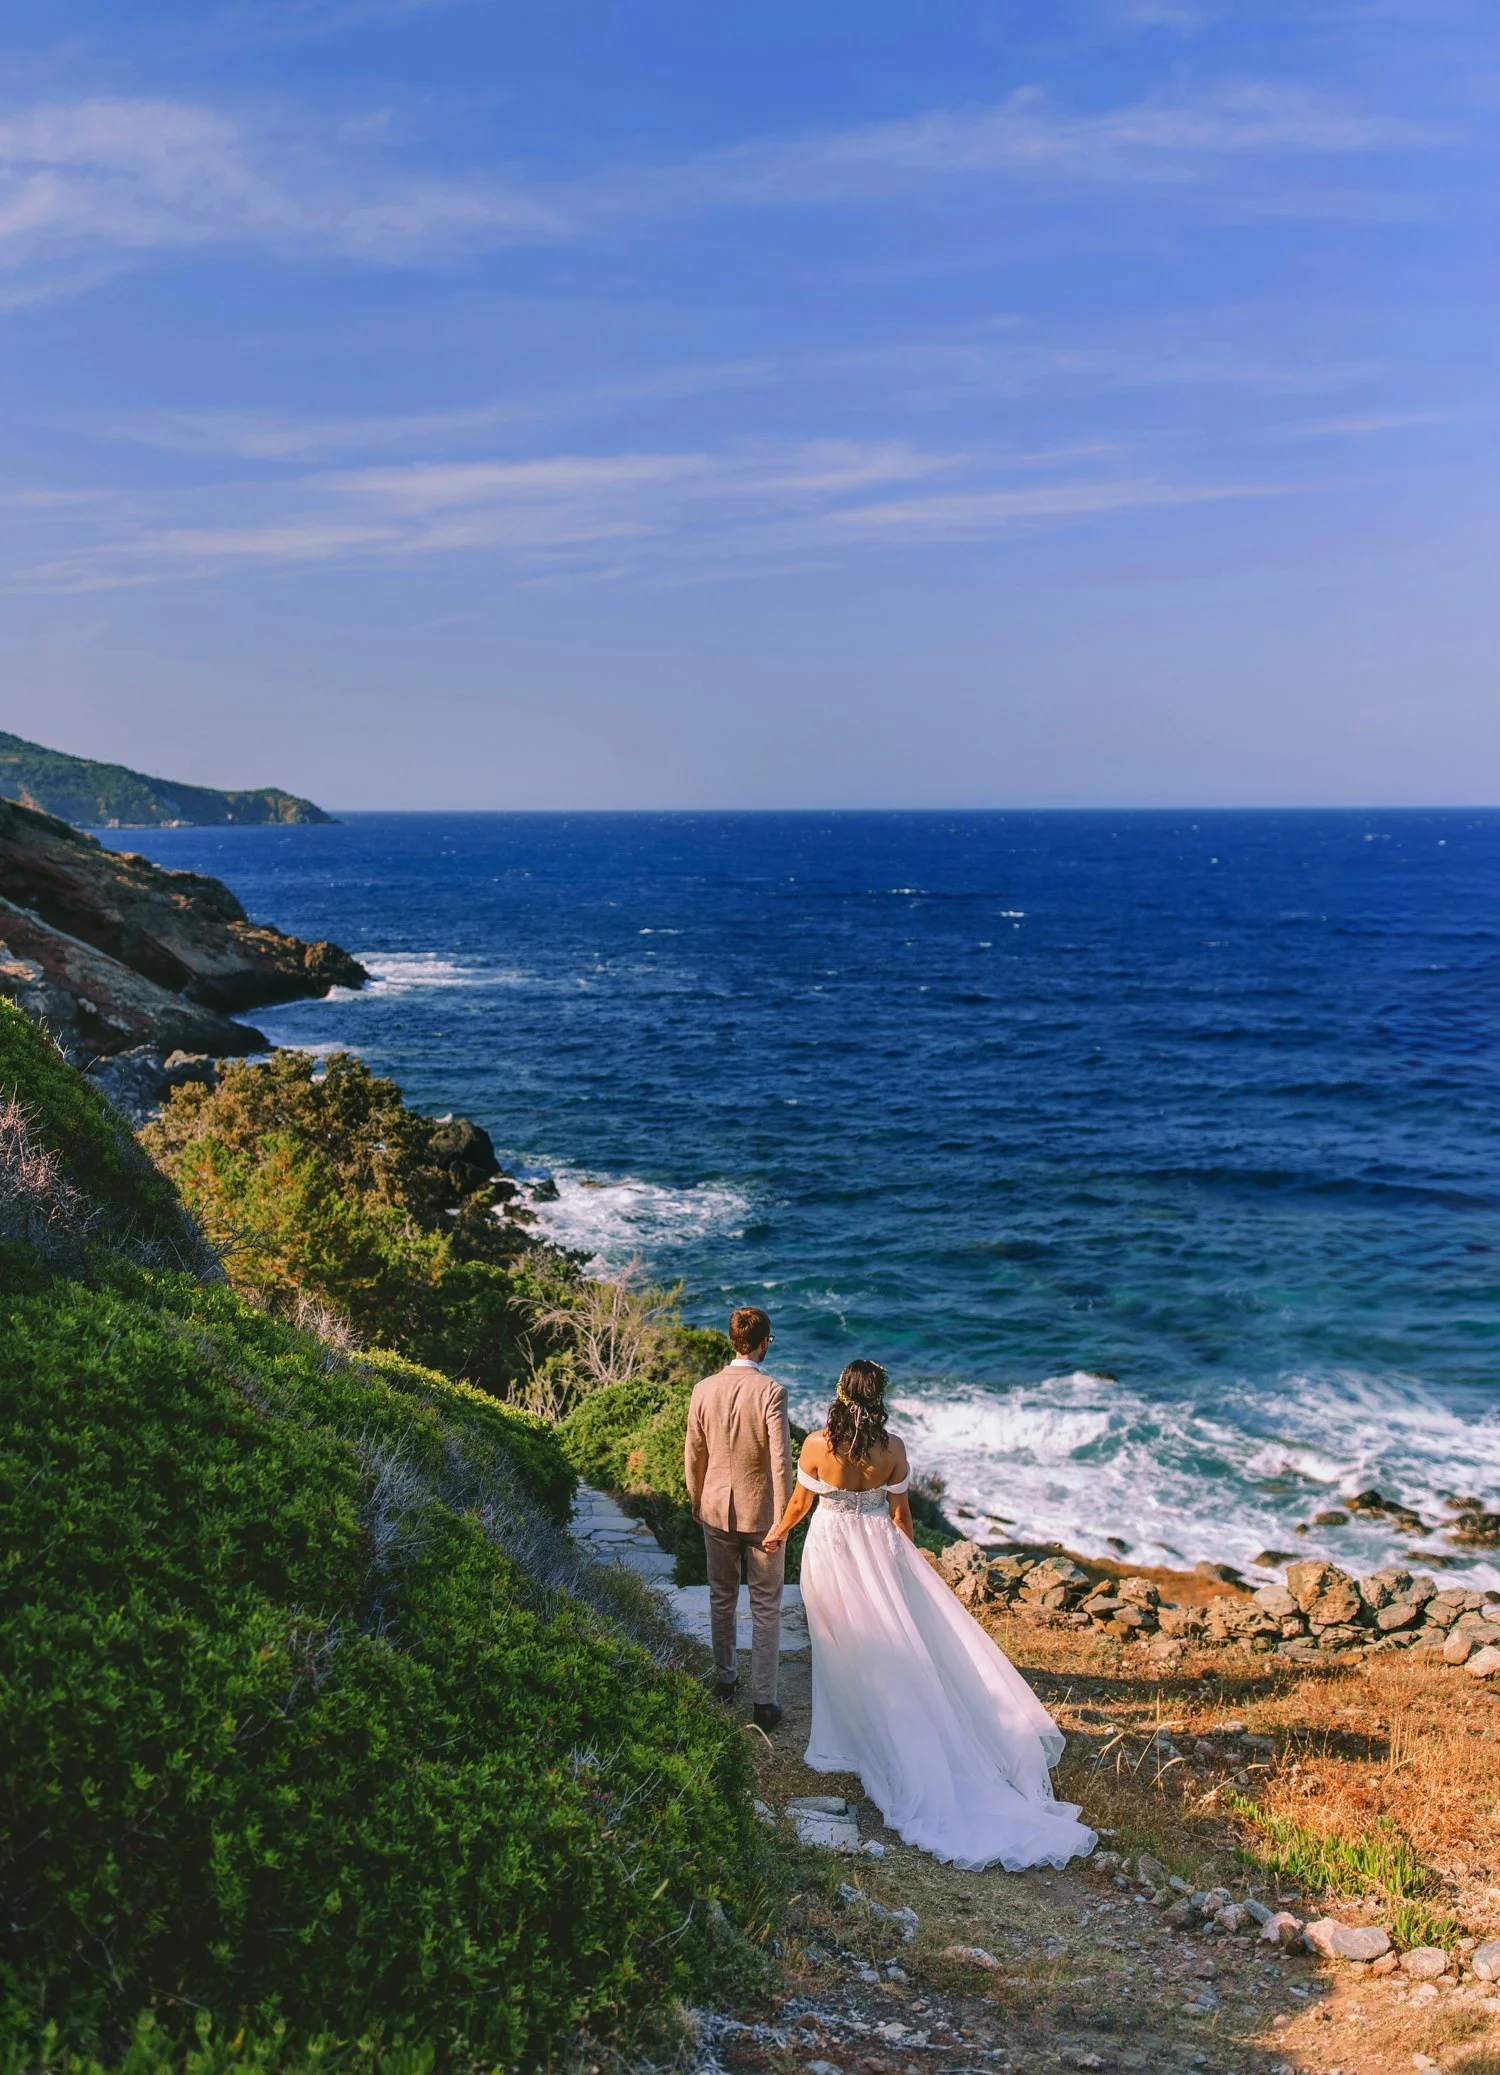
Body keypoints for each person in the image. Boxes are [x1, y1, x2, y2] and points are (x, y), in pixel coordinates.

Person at [762, 1358, 1096, 1871]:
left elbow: (801, 1503)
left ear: (840, 1391)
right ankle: (878, 1736)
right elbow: (900, 1518)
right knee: (887, 1645)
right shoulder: (893, 1449)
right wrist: (906, 1570)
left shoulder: (815, 1445)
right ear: (879, 1397)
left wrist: (778, 1533)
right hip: (877, 1551)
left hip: (830, 1550)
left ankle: (861, 1740)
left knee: (843, 1647)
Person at [683, 1305, 794, 1732]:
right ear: (763, 1341)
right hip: (762, 1512)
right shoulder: (771, 1391)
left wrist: (696, 1498)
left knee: (721, 1597)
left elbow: (694, 1451)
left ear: (733, 1340)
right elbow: (781, 1461)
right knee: (766, 1607)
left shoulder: (702, 1388)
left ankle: (725, 1680)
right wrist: (782, 1518)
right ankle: (764, 1702)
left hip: (714, 1506)